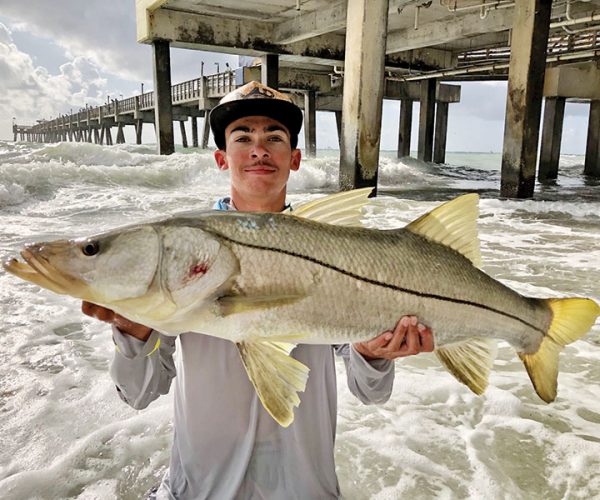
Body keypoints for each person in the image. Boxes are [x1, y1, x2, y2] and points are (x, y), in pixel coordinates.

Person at [82, 81, 434, 499]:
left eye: (275, 137)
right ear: (220, 158)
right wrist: (133, 333)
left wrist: (373, 354)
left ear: (295, 158)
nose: (259, 149)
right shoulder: (184, 252)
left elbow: (370, 391)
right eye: (242, 137)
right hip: (199, 490)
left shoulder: (337, 249)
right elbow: (139, 394)